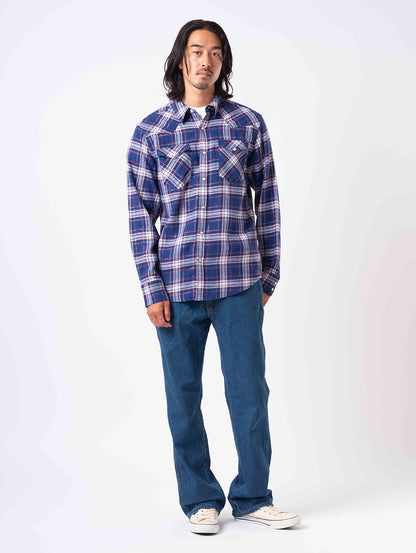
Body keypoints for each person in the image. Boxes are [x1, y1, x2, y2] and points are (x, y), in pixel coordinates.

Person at [126, 19, 301, 534]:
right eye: (197, 51)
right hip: (176, 288)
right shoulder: (151, 132)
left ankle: (253, 496)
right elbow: (140, 215)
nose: (206, 61)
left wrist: (267, 276)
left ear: (223, 63)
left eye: (216, 53)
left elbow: (267, 200)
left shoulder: (248, 124)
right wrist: (151, 287)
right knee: (182, 398)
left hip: (238, 285)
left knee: (249, 394)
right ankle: (199, 500)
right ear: (181, 59)